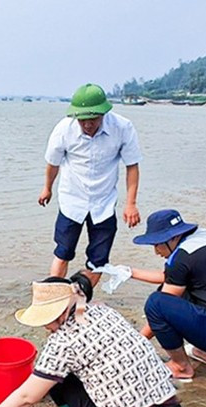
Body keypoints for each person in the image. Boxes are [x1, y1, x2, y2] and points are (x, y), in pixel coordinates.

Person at [0, 273, 182, 407]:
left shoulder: (63, 343)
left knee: (56, 380)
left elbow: (27, 397)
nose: (45, 326)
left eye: (47, 319)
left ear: (62, 312)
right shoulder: (104, 311)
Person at [129, 209, 206, 380]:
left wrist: (134, 344)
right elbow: (172, 278)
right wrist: (130, 272)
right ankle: (204, 352)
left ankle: (181, 367)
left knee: (156, 302)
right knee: (178, 290)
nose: (156, 251)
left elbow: (162, 305)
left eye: (157, 244)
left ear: (173, 238)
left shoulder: (181, 258)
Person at [39, 83, 142, 288]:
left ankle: (79, 298)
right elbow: (53, 163)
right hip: (72, 200)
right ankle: (54, 297)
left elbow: (132, 166)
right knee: (63, 251)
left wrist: (131, 203)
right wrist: (47, 188)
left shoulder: (122, 128)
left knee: (99, 260)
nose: (87, 125)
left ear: (104, 113)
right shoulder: (63, 129)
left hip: (104, 202)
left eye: (93, 119)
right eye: (82, 120)